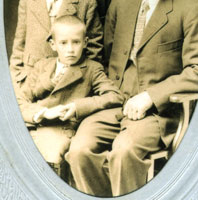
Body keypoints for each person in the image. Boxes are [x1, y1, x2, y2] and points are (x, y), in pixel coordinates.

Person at [65, 0, 198, 197]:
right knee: (79, 150)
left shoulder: (192, 9)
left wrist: (150, 97)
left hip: (157, 113)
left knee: (123, 151)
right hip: (115, 102)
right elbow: (105, 56)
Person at [17, 15, 124, 173]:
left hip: (62, 130)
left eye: (76, 42)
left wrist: (77, 107)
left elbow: (115, 96)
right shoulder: (41, 66)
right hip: (34, 124)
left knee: (50, 152)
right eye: (63, 43)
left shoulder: (92, 69)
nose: (70, 49)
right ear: (53, 44)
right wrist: (44, 113)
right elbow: (19, 101)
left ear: (85, 43)